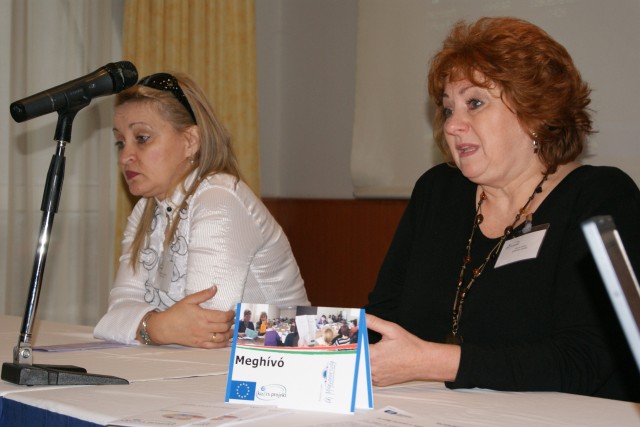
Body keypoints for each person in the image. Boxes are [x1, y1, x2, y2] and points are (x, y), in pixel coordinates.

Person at [365, 17, 640, 402]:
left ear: (535, 113)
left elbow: (587, 359)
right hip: (429, 413)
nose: (453, 125)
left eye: (474, 103)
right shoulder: (437, 192)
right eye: (448, 109)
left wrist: (438, 362)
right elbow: (381, 320)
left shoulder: (600, 197)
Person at [93, 72, 310, 348]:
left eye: (142, 138)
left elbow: (207, 324)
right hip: (201, 363)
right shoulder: (145, 210)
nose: (125, 156)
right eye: (120, 142)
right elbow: (115, 315)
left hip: (281, 363)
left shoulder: (219, 198)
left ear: (190, 141)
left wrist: (147, 326)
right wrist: (157, 327)